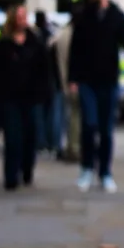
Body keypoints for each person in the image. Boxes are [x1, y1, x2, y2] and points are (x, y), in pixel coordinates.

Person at [68, 0, 124, 193]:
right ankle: (87, 168)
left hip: (109, 79)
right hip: (87, 80)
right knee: (89, 125)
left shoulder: (116, 16)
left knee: (107, 130)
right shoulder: (82, 16)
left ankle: (105, 172)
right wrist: (73, 78)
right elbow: (75, 49)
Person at [0, 5, 50, 191]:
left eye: (25, 16)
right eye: (20, 16)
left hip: (31, 97)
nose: (23, 20)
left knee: (30, 136)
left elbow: (44, 70)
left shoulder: (35, 42)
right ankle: (10, 176)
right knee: (13, 138)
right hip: (10, 97)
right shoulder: (4, 44)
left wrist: (43, 93)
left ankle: (26, 169)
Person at [34, 10, 63, 159]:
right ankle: (53, 143)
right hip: (53, 80)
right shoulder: (51, 37)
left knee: (41, 114)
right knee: (53, 114)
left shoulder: (34, 37)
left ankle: (41, 142)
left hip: (39, 82)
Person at [53, 10, 81, 162]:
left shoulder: (62, 34)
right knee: (75, 117)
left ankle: (65, 146)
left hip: (63, 80)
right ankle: (74, 147)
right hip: (74, 82)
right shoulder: (74, 35)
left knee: (66, 116)